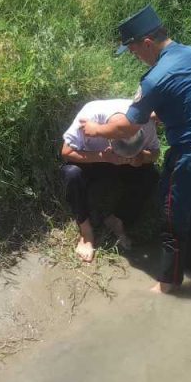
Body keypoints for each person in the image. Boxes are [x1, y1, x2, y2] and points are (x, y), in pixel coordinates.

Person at [81, 4, 191, 294]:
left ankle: (167, 286)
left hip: (190, 157)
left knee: (172, 218)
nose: (136, 58)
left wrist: (96, 130)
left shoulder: (155, 78)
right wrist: (158, 114)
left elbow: (124, 129)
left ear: (147, 43)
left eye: (134, 51)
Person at [61, 99, 160, 263]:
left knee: (151, 175)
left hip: (125, 165)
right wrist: (103, 157)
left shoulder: (145, 120)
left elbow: (155, 152)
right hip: (95, 160)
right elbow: (66, 152)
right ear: (108, 138)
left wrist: (140, 158)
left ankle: (117, 220)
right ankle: (86, 232)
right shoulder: (90, 115)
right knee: (71, 173)